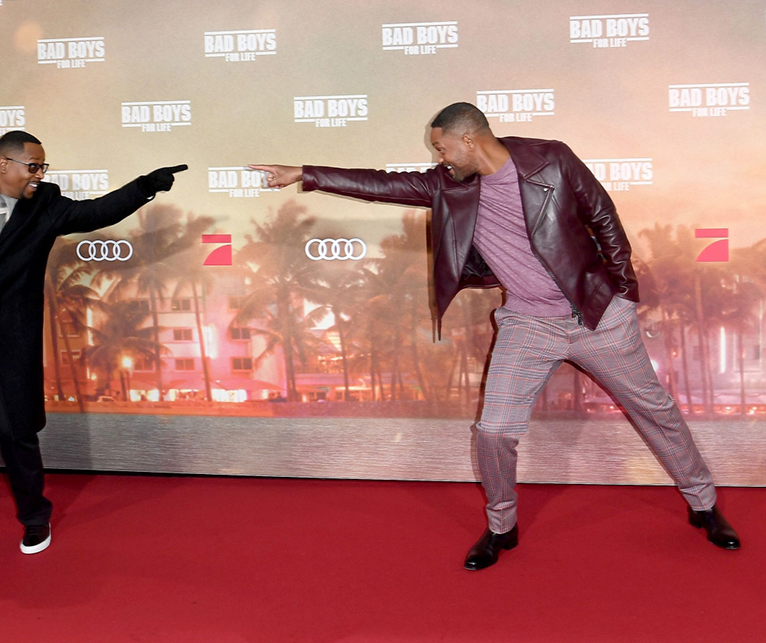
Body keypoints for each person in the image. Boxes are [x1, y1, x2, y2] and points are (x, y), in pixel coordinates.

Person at [249, 102, 740, 570]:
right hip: (527, 324)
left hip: (597, 317)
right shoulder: (451, 185)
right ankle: (502, 526)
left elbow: (604, 217)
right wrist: (305, 174)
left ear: (469, 139)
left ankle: (703, 504)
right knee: (493, 432)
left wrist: (624, 292)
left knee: (655, 411)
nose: (439, 158)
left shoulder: (552, 159)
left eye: (441, 147)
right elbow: (383, 184)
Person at [0, 130, 186, 554]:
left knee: (18, 433)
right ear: (4, 164)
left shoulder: (46, 203)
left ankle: (34, 517)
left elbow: (95, 212)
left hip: (12, 340)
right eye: (33, 166)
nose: (40, 174)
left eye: (43, 167)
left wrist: (143, 187)